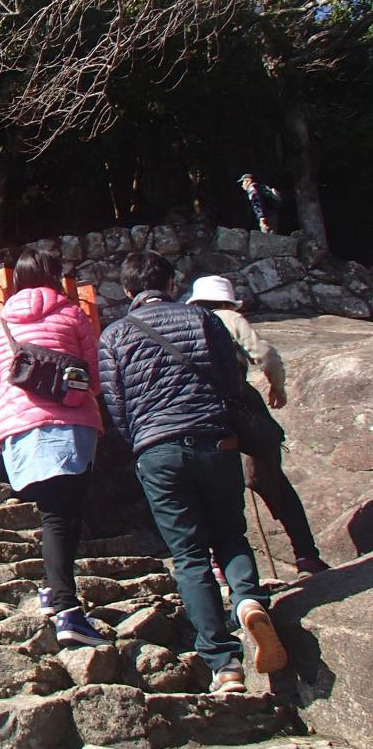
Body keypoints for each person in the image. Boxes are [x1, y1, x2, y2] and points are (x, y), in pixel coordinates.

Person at [100, 251, 288, 693]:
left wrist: (143, 444)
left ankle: (225, 666)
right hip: (213, 438)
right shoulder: (201, 320)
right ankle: (246, 601)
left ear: (128, 291)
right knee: (229, 534)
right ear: (170, 283)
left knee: (188, 556)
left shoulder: (114, 335)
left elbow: (115, 405)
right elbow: (230, 380)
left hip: (157, 449)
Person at [0, 249, 106, 648]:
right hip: (69, 423)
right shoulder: (72, 314)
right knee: (63, 515)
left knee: (52, 512)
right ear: (54, 275)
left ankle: (49, 590)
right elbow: (93, 373)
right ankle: (68, 609)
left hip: (18, 426)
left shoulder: (2, 320)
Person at [187, 275, 329, 575]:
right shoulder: (230, 318)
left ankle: (220, 564)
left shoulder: (186, 322)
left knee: (217, 490)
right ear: (227, 300)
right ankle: (305, 554)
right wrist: (278, 387)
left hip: (199, 415)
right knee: (273, 480)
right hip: (241, 409)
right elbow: (265, 355)